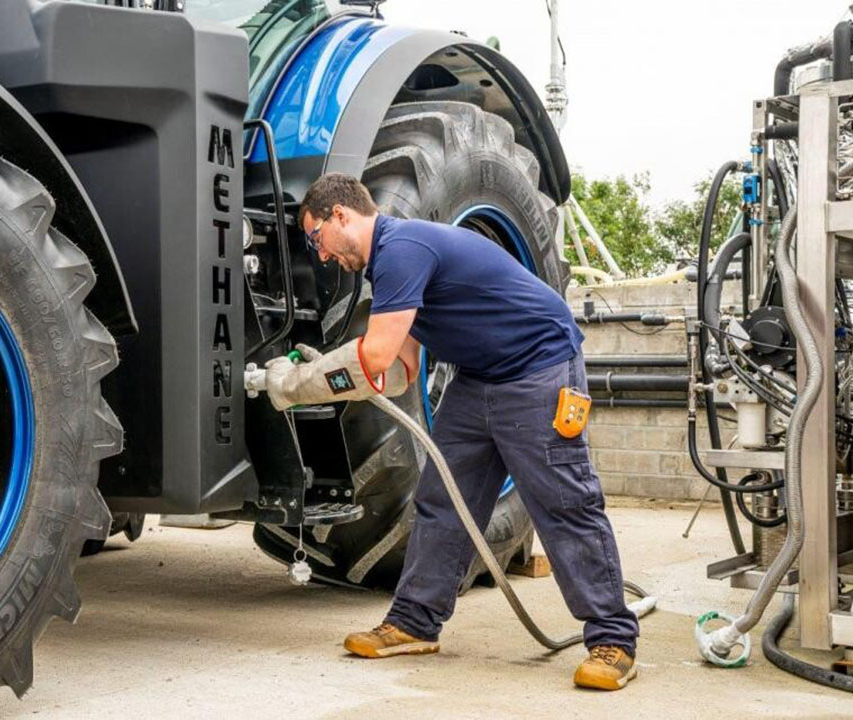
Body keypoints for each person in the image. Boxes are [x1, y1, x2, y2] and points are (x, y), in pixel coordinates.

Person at [263, 172, 639, 691]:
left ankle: (614, 640)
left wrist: (297, 383)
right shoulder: (392, 263)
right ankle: (415, 622)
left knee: (563, 502)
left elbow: (372, 357)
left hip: (538, 367)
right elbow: (402, 368)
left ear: (340, 216)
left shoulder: (402, 248)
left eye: (316, 239)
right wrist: (331, 369)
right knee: (443, 499)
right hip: (480, 375)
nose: (322, 256)